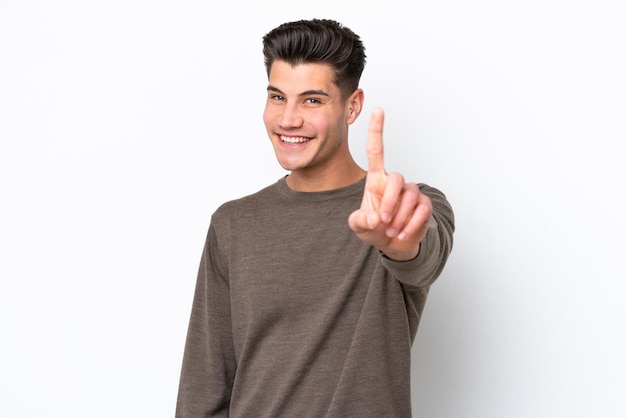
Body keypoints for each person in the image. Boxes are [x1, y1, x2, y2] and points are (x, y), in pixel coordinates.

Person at [176, 18, 455, 417]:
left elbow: (423, 254)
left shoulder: (406, 207)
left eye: (312, 100)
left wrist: (398, 243)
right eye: (277, 97)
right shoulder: (233, 224)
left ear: (352, 106)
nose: (288, 119)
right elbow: (204, 386)